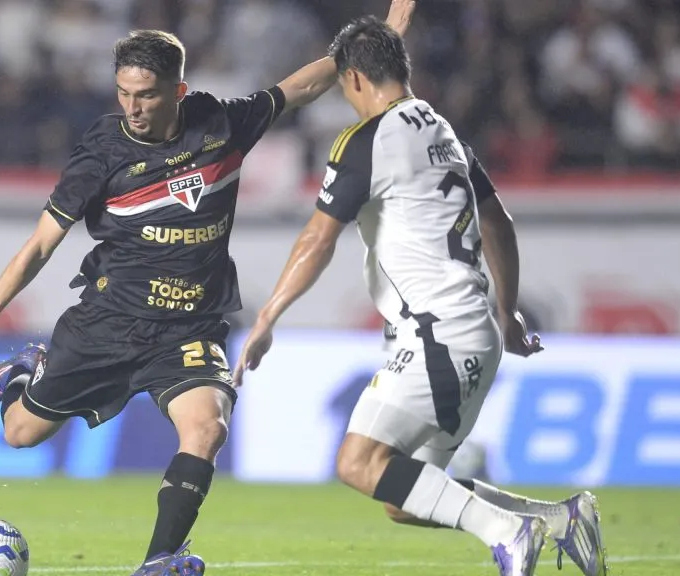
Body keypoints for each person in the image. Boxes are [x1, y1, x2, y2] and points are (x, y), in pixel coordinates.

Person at [0, 4, 416, 575]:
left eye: (146, 95)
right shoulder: (101, 153)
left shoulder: (220, 124)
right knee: (20, 434)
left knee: (208, 427)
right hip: (108, 321)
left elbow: (300, 87)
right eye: (123, 93)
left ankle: (159, 560)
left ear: (178, 90)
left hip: (188, 327)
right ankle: (29, 368)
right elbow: (40, 244)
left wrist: (379, 46)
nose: (132, 108)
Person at [233, 14, 608, 576]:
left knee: (357, 462)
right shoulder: (444, 132)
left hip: (437, 333)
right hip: (475, 332)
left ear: (353, 79)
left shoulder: (366, 140)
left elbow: (318, 237)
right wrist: (506, 313)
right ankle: (558, 519)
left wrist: (267, 316)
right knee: (403, 496)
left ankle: (509, 532)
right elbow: (499, 223)